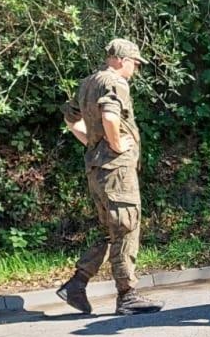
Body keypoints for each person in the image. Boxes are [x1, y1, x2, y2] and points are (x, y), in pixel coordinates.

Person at [56, 39, 162, 316]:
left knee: (110, 229)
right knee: (127, 226)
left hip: (97, 168)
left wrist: (91, 142)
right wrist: (115, 146)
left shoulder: (88, 83)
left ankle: (77, 284)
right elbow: (111, 117)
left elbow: (71, 119)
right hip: (115, 170)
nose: (135, 70)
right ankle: (127, 295)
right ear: (120, 60)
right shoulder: (115, 82)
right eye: (134, 64)